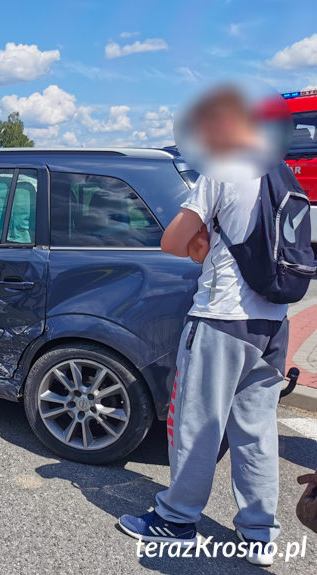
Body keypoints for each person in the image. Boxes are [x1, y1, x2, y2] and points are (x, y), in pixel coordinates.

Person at [118, 87, 291, 567]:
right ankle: (259, 534)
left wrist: (199, 245)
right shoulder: (281, 174)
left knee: (197, 425)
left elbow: (171, 241)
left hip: (221, 319)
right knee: (255, 429)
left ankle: (175, 522)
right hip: (273, 323)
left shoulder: (223, 171)